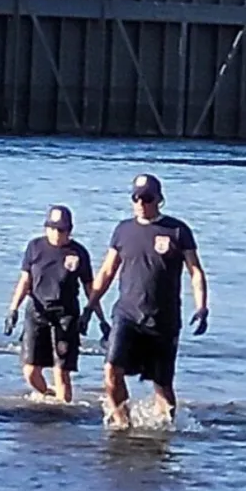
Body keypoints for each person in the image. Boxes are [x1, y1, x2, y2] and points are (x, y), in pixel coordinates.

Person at [82, 173, 209, 428]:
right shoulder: (123, 230)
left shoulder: (177, 230)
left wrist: (202, 306)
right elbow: (107, 271)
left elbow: (195, 270)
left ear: (159, 199)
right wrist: (89, 307)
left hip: (163, 318)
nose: (141, 203)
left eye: (147, 198)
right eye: (136, 198)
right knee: (111, 371)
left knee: (162, 385)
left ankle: (168, 430)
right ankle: (122, 424)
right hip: (127, 314)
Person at [3, 205, 111, 402]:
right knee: (30, 371)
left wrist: (99, 318)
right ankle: (48, 396)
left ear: (69, 230)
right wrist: (13, 309)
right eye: (51, 228)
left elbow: (90, 288)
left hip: (66, 316)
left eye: (60, 230)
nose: (55, 233)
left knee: (61, 372)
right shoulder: (35, 247)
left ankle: (63, 413)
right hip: (37, 313)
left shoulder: (78, 252)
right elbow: (25, 281)